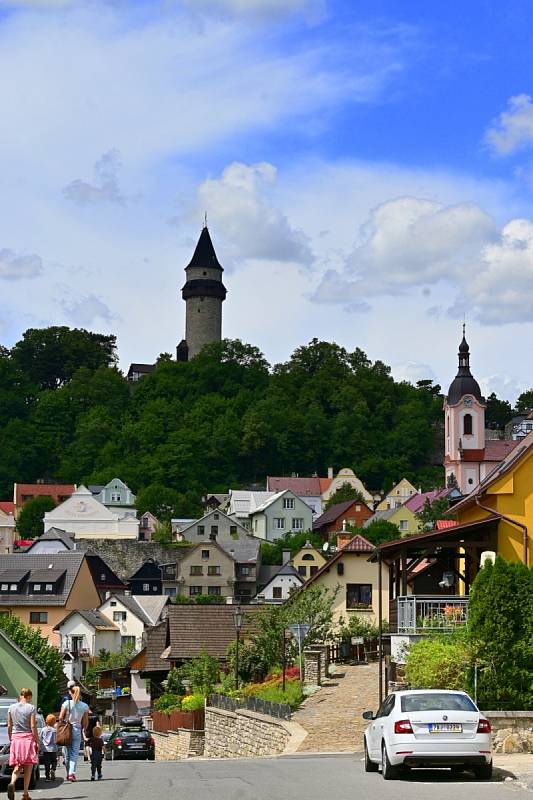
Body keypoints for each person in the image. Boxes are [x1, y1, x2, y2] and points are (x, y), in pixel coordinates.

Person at [7, 688, 39, 800]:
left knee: (17, 765)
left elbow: (9, 726)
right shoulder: (31, 708)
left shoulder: (11, 708)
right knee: (28, 767)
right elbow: (33, 726)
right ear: (29, 696)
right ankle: (25, 794)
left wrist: (11, 738)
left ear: (21, 696)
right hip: (27, 739)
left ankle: (12, 782)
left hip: (16, 738)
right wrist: (37, 741)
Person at [58, 685, 88, 782]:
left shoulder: (67, 703)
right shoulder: (84, 706)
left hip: (67, 730)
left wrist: (63, 724)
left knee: (67, 754)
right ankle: (71, 773)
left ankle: (69, 773)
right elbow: (85, 722)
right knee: (74, 753)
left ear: (71, 693)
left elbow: (60, 717)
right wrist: (84, 729)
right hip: (77, 729)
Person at [39, 715, 57, 782]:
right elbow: (56, 740)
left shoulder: (43, 729)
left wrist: (40, 746)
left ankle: (47, 776)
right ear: (54, 722)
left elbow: (40, 738)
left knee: (47, 762)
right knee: (54, 761)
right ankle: (53, 769)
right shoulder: (54, 730)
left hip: (45, 748)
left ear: (46, 721)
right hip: (53, 748)